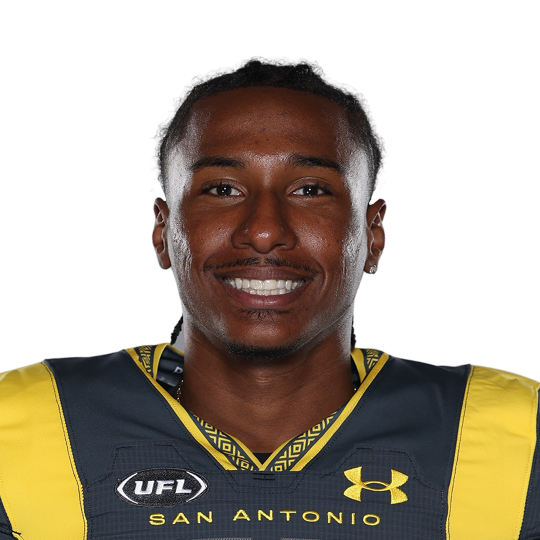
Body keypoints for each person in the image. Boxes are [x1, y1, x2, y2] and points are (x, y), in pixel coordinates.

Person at [0, 56, 539, 540]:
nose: (263, 231)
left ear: (372, 234)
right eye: (222, 189)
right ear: (164, 231)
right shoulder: (25, 426)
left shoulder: (513, 437)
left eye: (310, 189)